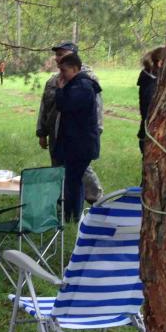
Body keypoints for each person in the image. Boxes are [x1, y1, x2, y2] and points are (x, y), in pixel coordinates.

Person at [36, 42, 104, 203]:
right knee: (58, 169)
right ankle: (62, 201)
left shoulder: (87, 79)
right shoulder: (53, 81)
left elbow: (97, 108)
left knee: (81, 172)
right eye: (57, 55)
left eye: (61, 54)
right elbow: (45, 107)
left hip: (78, 137)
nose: (57, 58)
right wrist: (42, 132)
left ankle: (97, 200)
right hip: (56, 134)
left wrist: (97, 130)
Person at [53, 53, 101, 222]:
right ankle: (72, 214)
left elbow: (64, 106)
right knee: (73, 180)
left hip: (80, 145)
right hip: (74, 143)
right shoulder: (76, 84)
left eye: (64, 71)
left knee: (72, 181)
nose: (61, 74)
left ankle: (71, 215)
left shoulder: (82, 86)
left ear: (74, 69)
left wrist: (60, 90)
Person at [138, 46, 165, 154]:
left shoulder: (150, 79)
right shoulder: (151, 84)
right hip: (152, 135)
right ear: (160, 63)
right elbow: (149, 111)